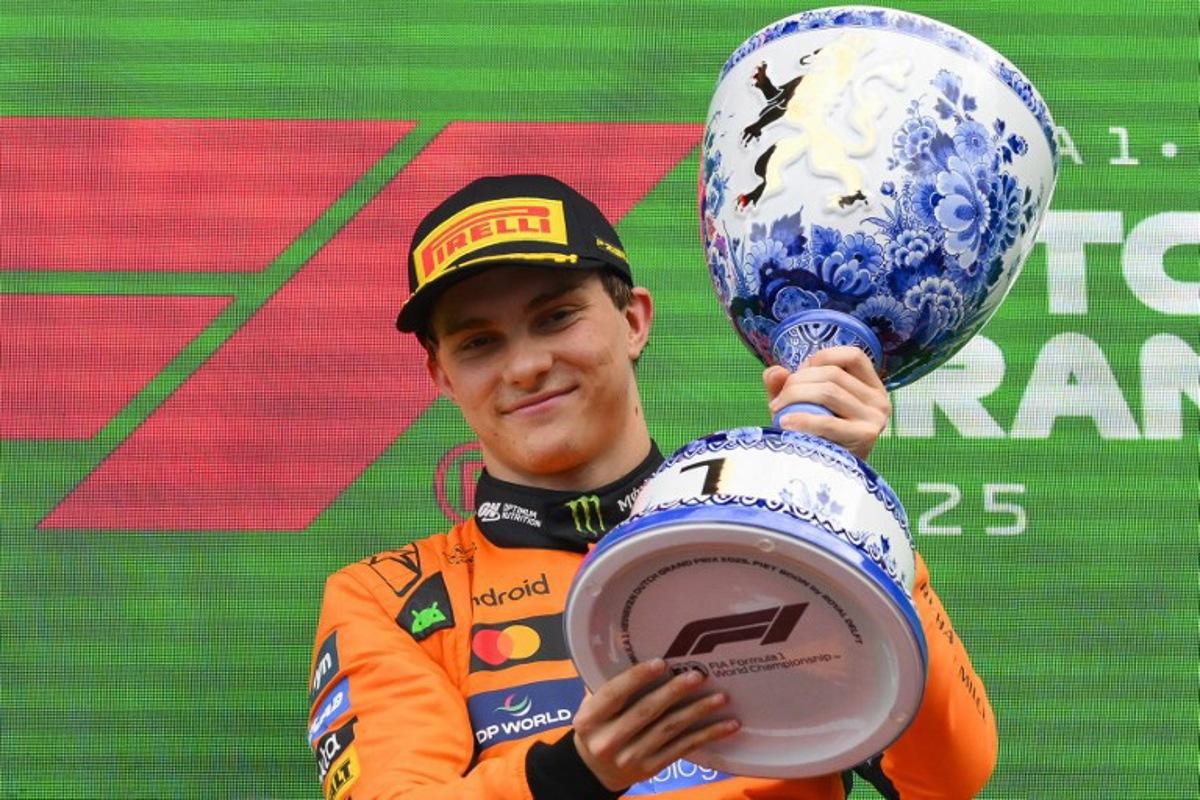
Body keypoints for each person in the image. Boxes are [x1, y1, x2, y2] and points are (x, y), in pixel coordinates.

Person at [306, 174, 997, 800]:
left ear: (634, 320)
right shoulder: (392, 598)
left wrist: (845, 511)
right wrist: (571, 778)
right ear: (444, 378)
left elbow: (947, 776)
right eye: (479, 343)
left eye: (555, 318)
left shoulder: (765, 531)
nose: (524, 366)